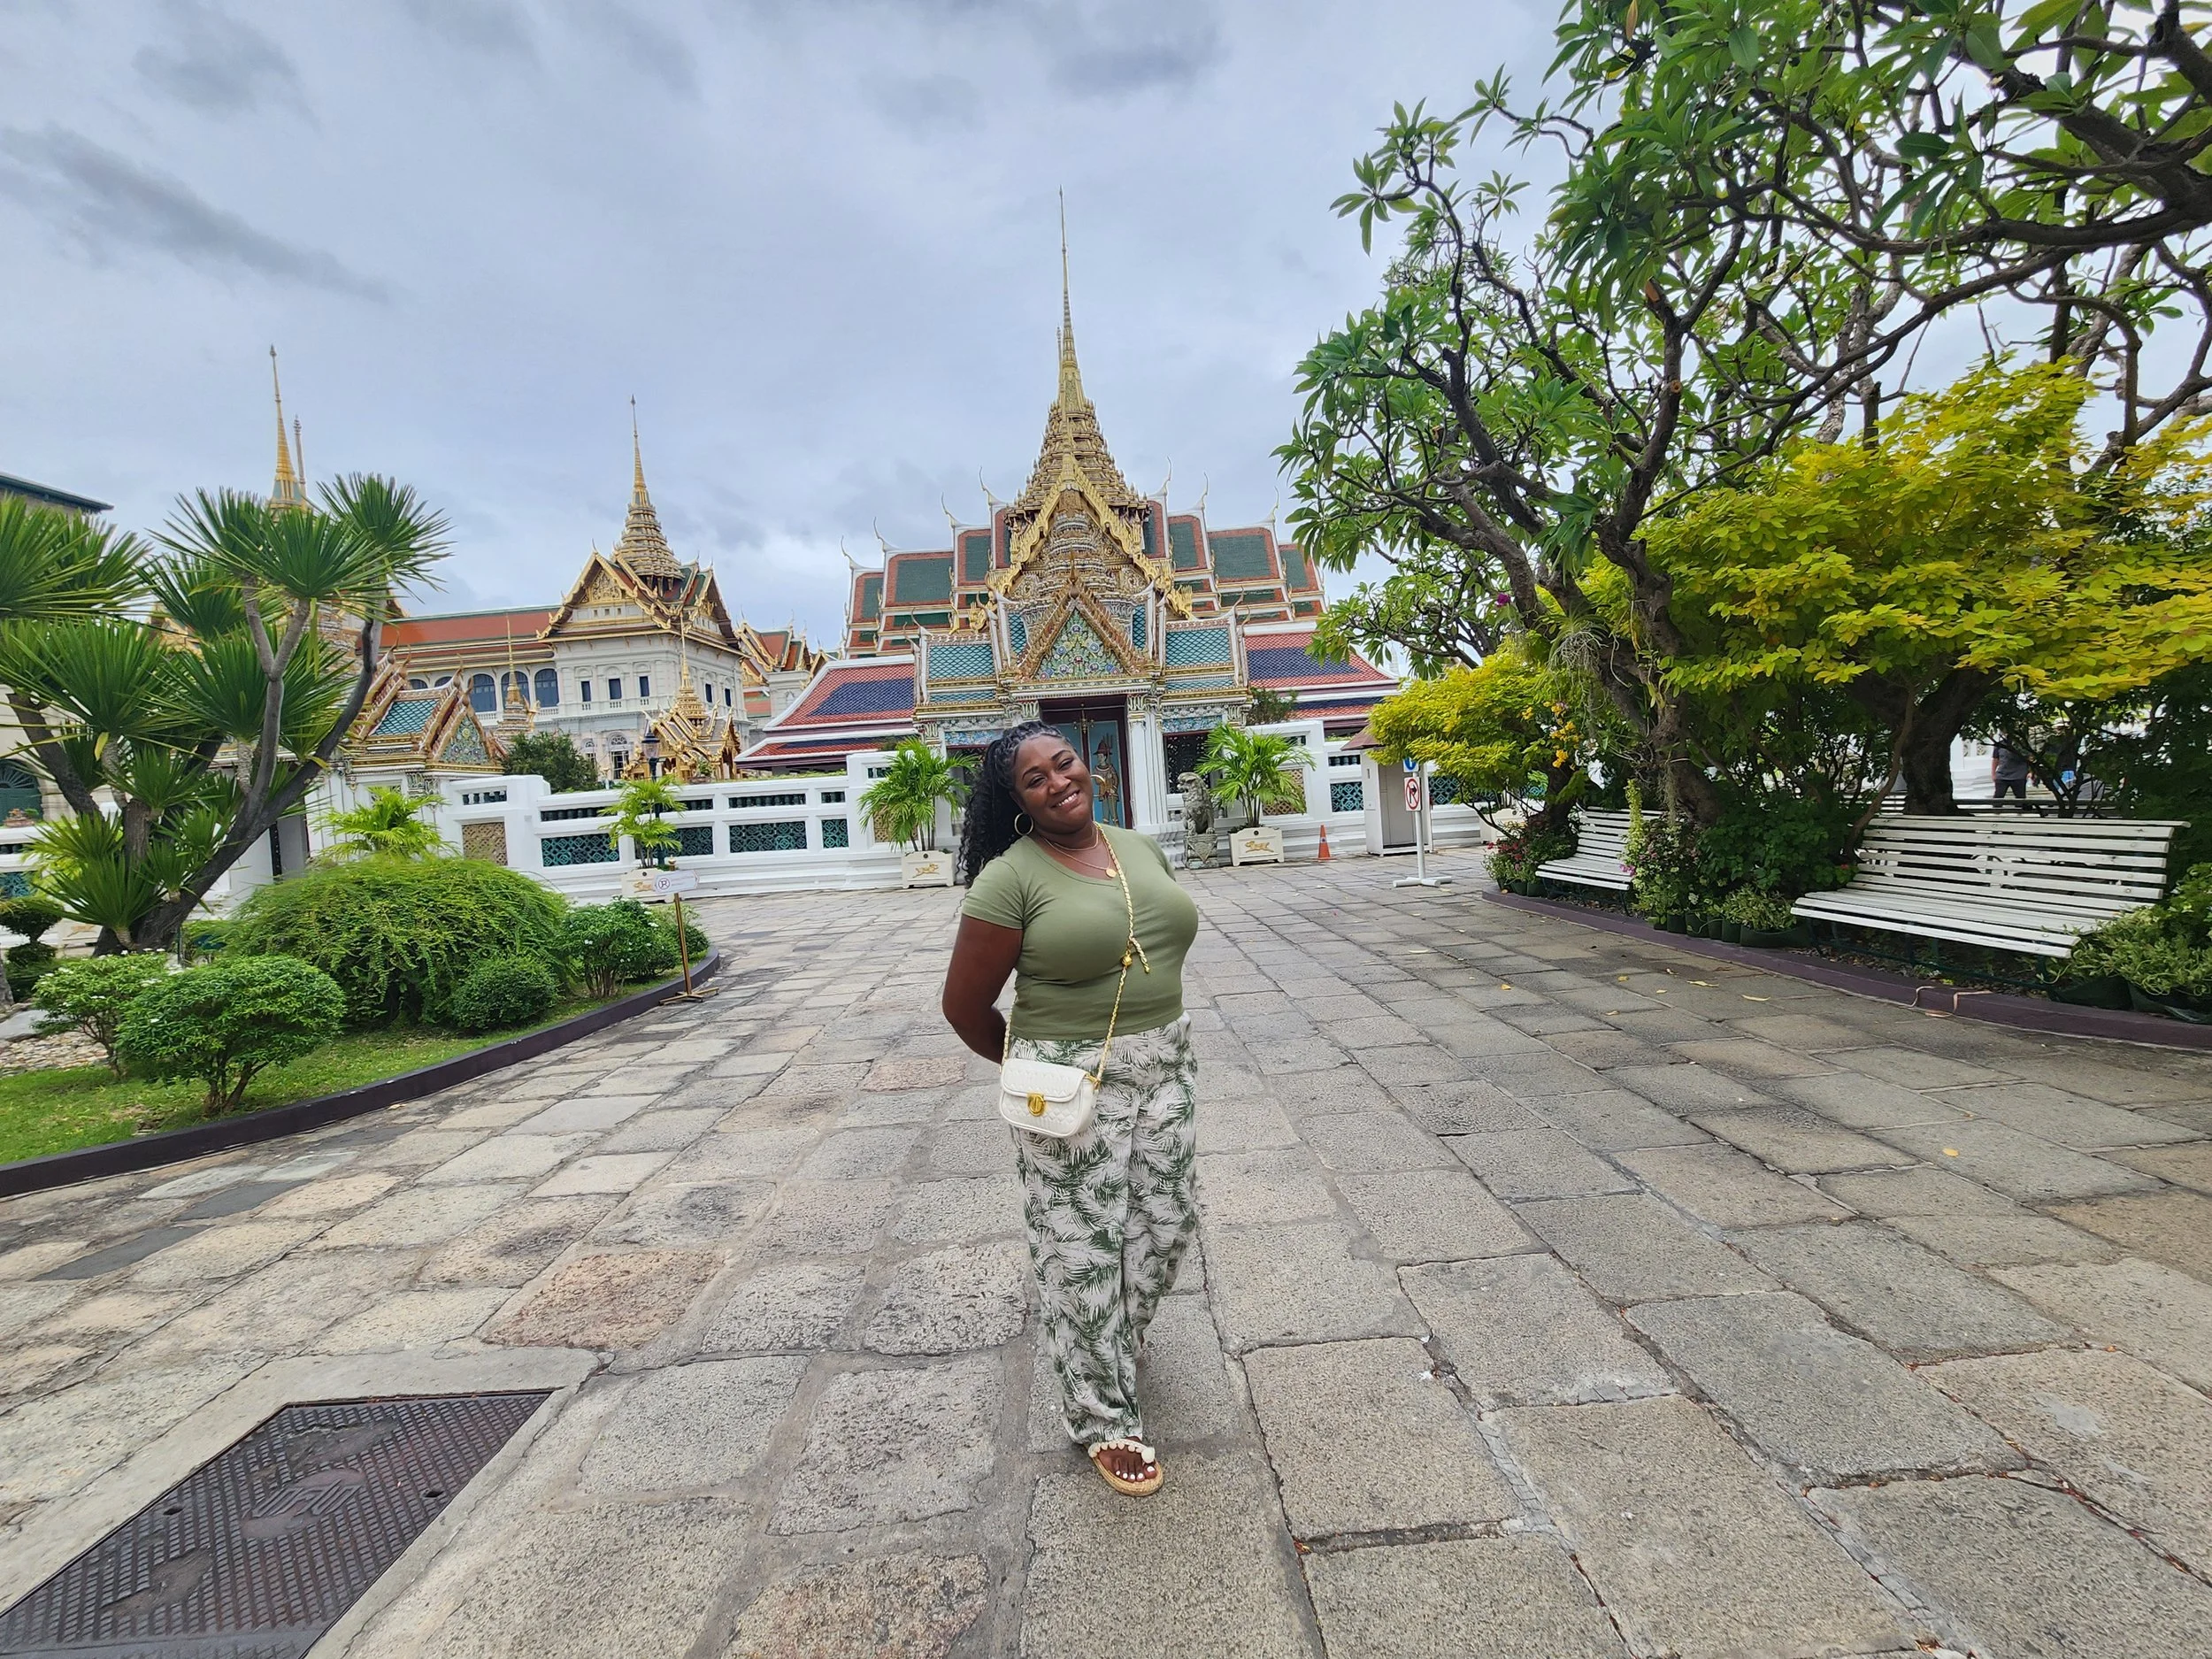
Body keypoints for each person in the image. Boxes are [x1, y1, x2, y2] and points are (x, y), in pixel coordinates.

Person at [940, 721, 1202, 1498]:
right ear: (1014, 799)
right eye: (1034, 778)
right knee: (1081, 1249)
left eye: (1065, 763)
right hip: (1069, 1080)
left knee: (1167, 1220)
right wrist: (1038, 1068)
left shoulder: (1136, 845)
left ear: (1087, 765)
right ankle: (1101, 1415)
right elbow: (963, 1005)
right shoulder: (1009, 879)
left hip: (1167, 1064)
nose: (1058, 782)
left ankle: (1114, 1339)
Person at [1992, 741, 2032, 807]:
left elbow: (2030, 758)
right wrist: (1993, 773)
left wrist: (2031, 772)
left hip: (2019, 775)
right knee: (1998, 797)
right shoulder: (1999, 744)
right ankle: (1996, 813)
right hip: (2002, 774)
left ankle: (2020, 814)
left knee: (2020, 799)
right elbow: (1995, 759)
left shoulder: (2023, 744)